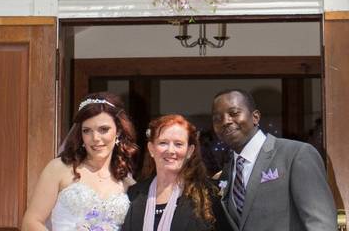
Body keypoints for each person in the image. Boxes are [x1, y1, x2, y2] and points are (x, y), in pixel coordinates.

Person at [210, 89, 336, 231]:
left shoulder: (296, 154)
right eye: (217, 118)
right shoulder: (224, 175)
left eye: (234, 113)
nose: (225, 121)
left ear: (255, 117)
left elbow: (321, 224)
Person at [22, 92, 139, 231]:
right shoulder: (59, 169)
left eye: (103, 129)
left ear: (118, 131)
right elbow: (31, 222)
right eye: (87, 130)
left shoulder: (126, 179)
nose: (95, 138)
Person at [121, 114, 214, 231]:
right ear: (151, 149)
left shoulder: (206, 195)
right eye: (163, 143)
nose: (170, 150)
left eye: (178, 144)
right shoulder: (134, 193)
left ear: (190, 151)